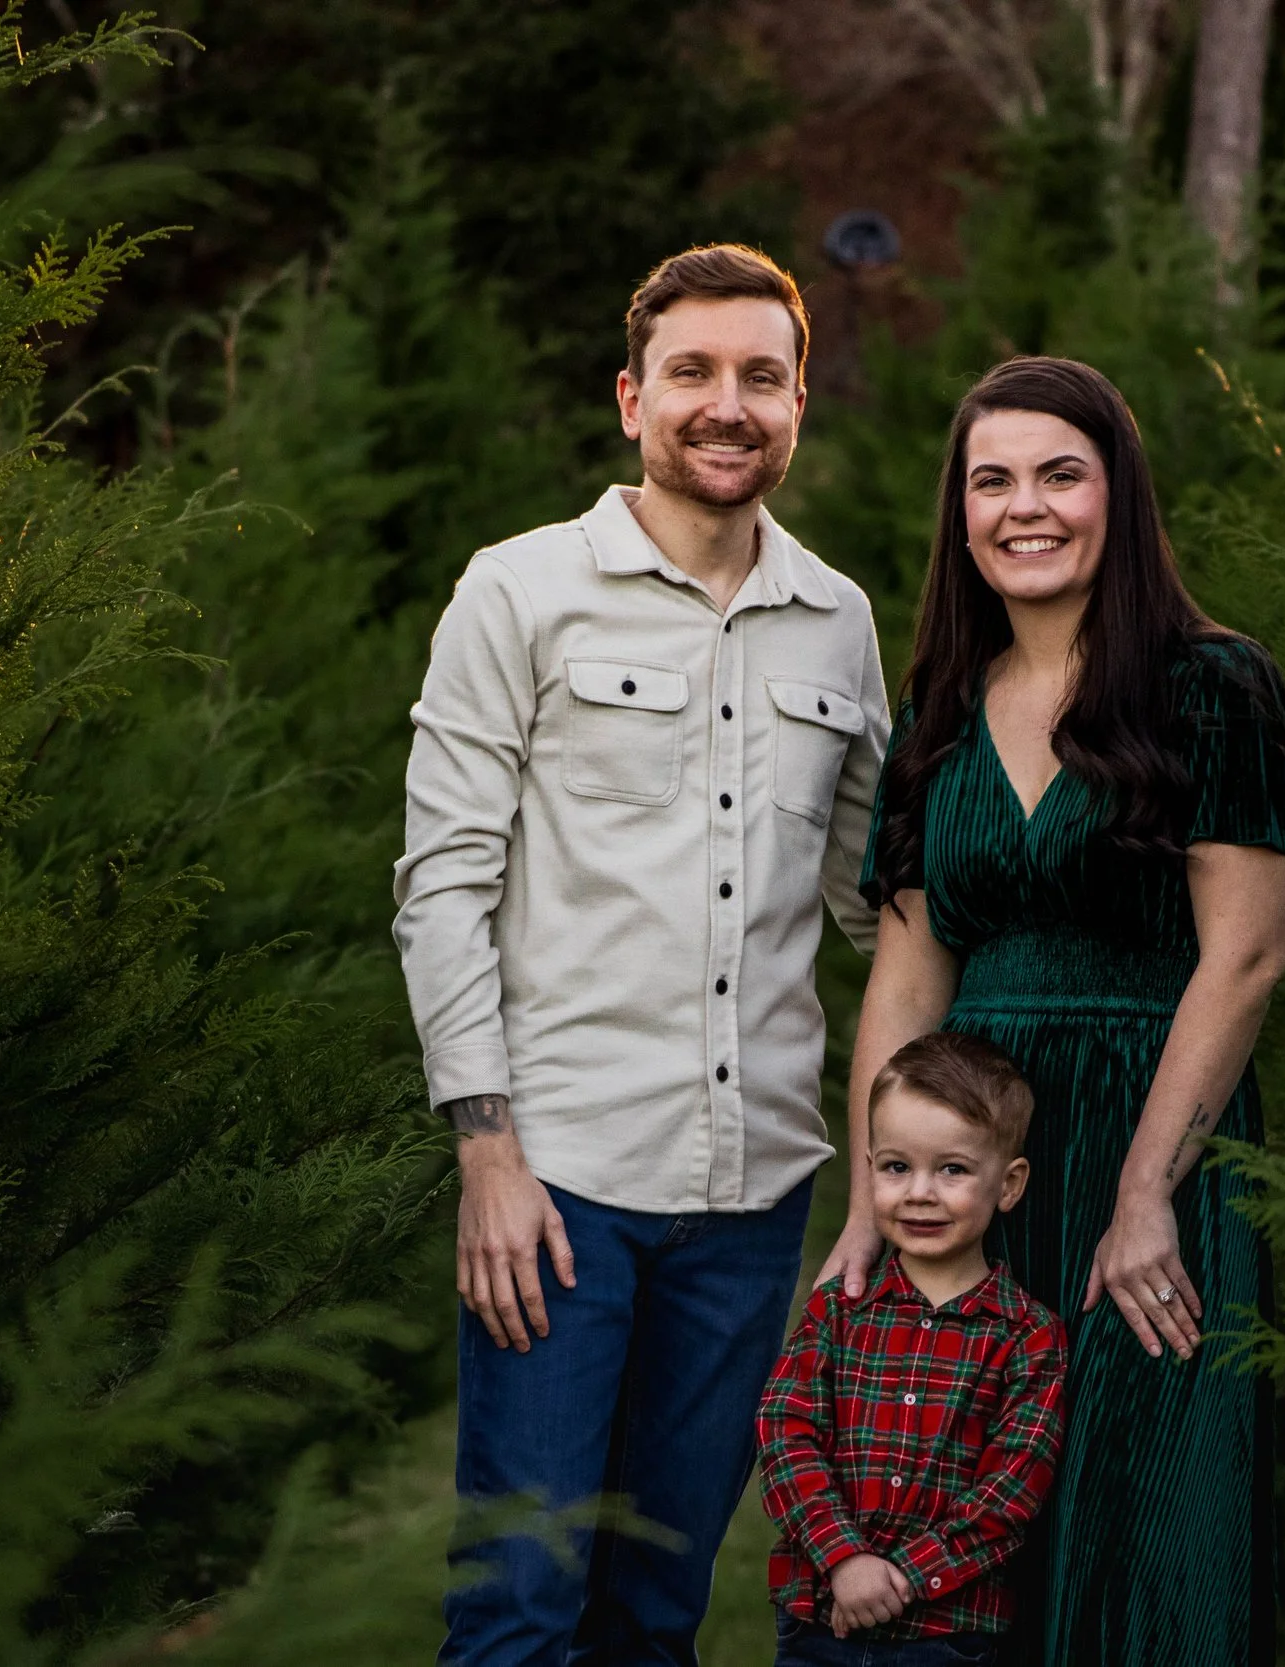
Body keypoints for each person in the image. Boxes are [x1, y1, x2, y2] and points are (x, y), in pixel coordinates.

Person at [393, 244, 890, 1666]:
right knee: (520, 1606)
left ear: (801, 404)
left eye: (762, 376)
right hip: (562, 1190)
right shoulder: (520, 590)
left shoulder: (840, 620)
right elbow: (444, 883)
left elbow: (878, 900)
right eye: (693, 373)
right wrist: (488, 1153)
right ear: (631, 399)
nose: (726, 405)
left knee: (658, 1608)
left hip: (755, 1199)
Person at [815, 356, 1285, 1665]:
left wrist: (1150, 1187)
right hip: (980, 1161)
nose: (1024, 506)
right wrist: (878, 1200)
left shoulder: (1214, 687)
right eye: (992, 479)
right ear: (961, 512)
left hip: (1150, 1146)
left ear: (1119, 495)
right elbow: (909, 974)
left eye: (1060, 473)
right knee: (974, 1530)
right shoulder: (938, 715)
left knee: (1150, 1518)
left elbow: (1247, 955)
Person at [758, 1031, 1067, 1667]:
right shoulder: (839, 1309)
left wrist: (898, 1580)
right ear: (869, 1168)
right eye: (897, 1167)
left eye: (952, 1169)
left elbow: (1010, 1494)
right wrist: (843, 1558)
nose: (920, 1192)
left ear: (1008, 1184)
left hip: (948, 1634)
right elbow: (784, 1431)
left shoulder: (1028, 1336)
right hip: (820, 1619)